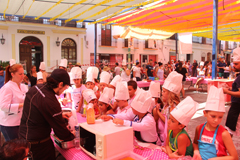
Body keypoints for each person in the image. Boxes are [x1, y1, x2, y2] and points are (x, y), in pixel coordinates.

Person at [19, 69, 75, 160]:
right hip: (38, 143)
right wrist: (73, 136)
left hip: (23, 135)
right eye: (65, 87)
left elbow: (38, 112)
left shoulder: (36, 88)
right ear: (60, 84)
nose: (64, 90)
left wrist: (59, 115)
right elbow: (61, 132)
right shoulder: (50, 101)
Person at [193, 86, 238, 160]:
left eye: (220, 117)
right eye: (213, 116)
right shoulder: (199, 128)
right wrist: (196, 151)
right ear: (204, 113)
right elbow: (195, 143)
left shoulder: (224, 134)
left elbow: (234, 157)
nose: (216, 120)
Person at [152, 71, 182, 146]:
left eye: (164, 91)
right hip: (162, 137)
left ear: (170, 94)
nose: (162, 93)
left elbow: (168, 121)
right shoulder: (166, 105)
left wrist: (158, 113)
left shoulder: (173, 107)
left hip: (167, 139)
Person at [0, 60, 27, 141]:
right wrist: (22, 105)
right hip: (9, 123)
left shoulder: (23, 86)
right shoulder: (7, 87)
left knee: (21, 147)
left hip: (20, 121)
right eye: (20, 74)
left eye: (23, 73)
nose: (23, 76)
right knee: (14, 148)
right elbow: (3, 106)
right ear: (12, 74)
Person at [223, 48, 240, 137]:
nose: (234, 66)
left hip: (237, 108)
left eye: (236, 64)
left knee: (228, 131)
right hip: (235, 107)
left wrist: (227, 92)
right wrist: (230, 89)